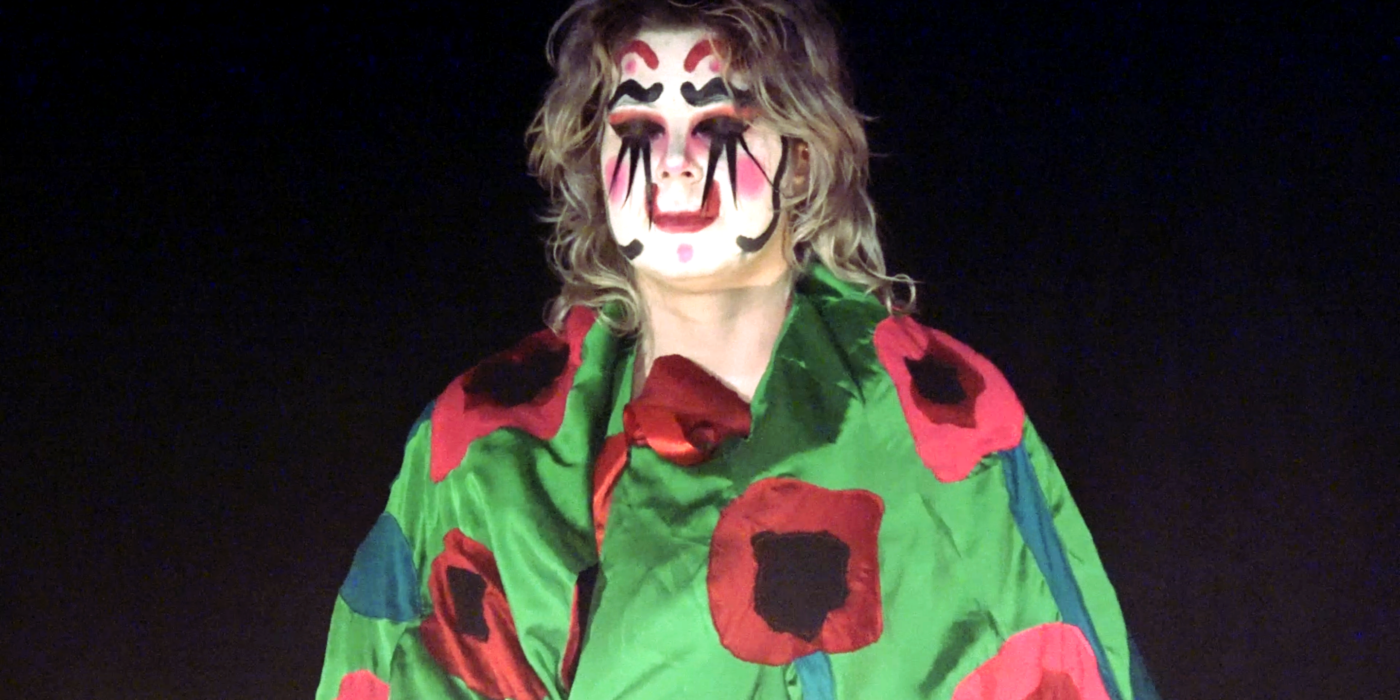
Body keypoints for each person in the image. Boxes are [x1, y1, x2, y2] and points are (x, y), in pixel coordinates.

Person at [317, 1, 1160, 698]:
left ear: (804, 158)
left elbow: (1055, 661)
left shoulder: (939, 420)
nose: (675, 165)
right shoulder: (488, 447)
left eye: (717, 122)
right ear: (592, 157)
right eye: (638, 125)